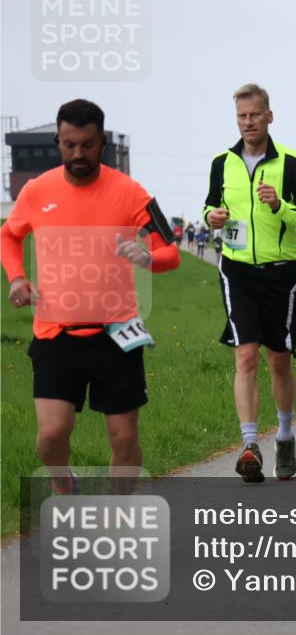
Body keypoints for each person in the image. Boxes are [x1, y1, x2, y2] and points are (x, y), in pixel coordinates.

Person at [0, 99, 180, 493]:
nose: (78, 154)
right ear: (58, 142)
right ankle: (64, 483)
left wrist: (147, 256)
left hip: (116, 334)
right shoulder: (36, 191)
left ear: (103, 144)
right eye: (69, 145)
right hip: (54, 334)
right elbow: (10, 235)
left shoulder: (131, 192)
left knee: (123, 438)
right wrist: (16, 278)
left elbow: (171, 252)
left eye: (87, 144)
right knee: (51, 436)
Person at [202, 83, 296, 483]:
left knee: (279, 360)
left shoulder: (291, 163)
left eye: (254, 114)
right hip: (236, 268)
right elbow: (208, 205)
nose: (248, 122)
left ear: (269, 116)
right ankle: (250, 444)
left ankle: (285, 436)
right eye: (241, 116)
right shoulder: (222, 162)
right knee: (246, 356)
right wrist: (211, 218)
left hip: (281, 272)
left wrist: (279, 205)